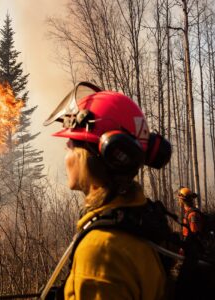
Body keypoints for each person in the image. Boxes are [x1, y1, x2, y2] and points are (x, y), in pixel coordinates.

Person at [43, 82, 172, 300]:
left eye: (72, 144)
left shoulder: (101, 252)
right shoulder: (138, 218)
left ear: (104, 152)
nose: (66, 154)